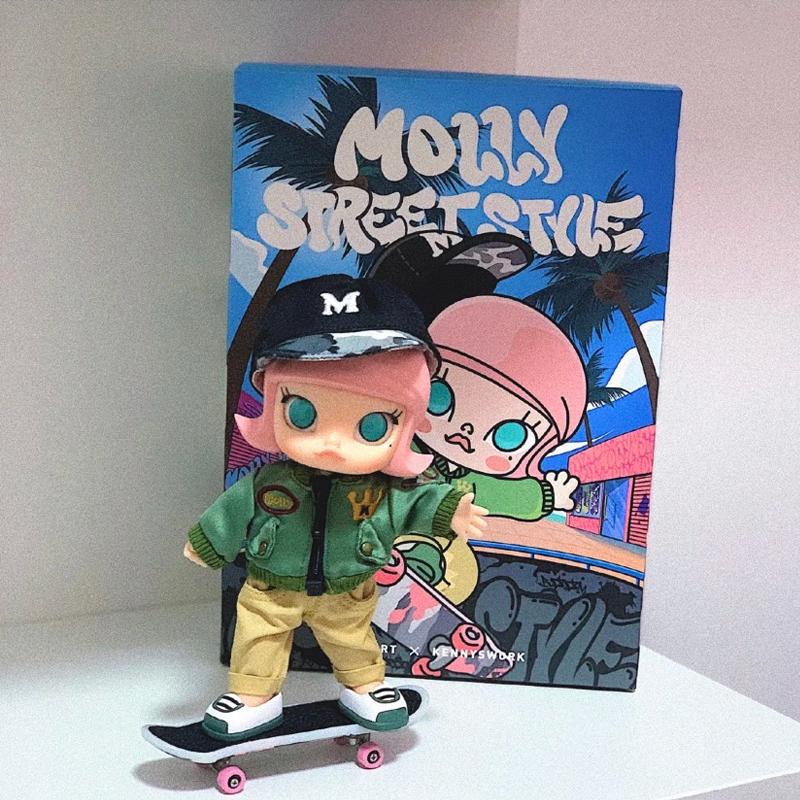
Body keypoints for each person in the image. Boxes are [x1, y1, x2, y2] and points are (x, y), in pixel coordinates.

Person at [183, 274, 488, 742]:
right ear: (272, 403)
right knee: (258, 636)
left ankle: (364, 686)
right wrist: (208, 543)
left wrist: (451, 511)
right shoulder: (269, 482)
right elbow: (234, 509)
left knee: (353, 640)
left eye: (371, 426)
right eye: (303, 413)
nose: (332, 444)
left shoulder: (382, 490)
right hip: (270, 586)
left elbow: (415, 500)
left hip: (348, 588)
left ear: (406, 426)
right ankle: (253, 696)